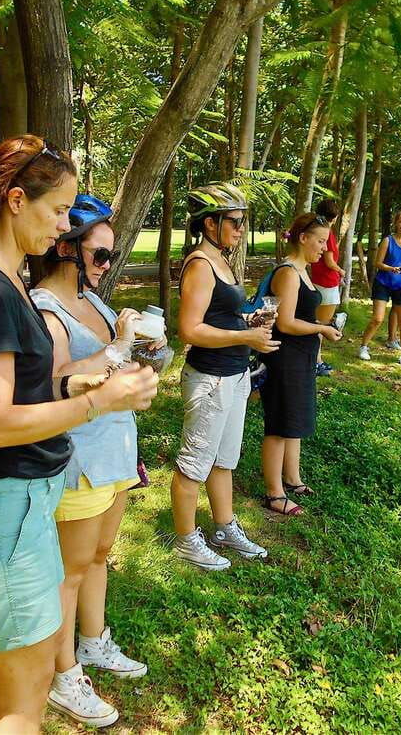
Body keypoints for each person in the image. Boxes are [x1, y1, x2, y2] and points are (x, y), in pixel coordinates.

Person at [0, 136, 158, 734]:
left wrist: (79, 387)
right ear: (13, 200)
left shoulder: (5, 285)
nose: (63, 227)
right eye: (58, 211)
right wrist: (100, 403)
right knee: (20, 710)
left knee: (22, 702)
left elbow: (29, 392)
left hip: (19, 503)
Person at [31, 195, 159, 727]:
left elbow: (119, 361)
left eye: (111, 257)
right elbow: (55, 379)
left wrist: (144, 350)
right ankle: (63, 676)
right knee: (70, 571)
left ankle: (92, 642)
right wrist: (117, 348)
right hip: (80, 454)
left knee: (100, 554)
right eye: (100, 255)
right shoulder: (45, 307)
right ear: (65, 249)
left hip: (117, 450)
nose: (107, 266)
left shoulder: (95, 301)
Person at [172, 185, 279, 570]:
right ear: (210, 223)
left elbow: (220, 314)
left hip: (235, 375)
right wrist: (244, 336)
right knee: (193, 463)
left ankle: (224, 527)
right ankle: (185, 540)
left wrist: (248, 322)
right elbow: (189, 329)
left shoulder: (223, 259)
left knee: (224, 460)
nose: (240, 229)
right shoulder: (200, 264)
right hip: (210, 377)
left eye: (243, 222)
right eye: (234, 222)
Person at [260, 213, 342, 516]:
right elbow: (287, 322)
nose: (324, 247)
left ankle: (292, 480)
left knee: (293, 422)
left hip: (302, 357)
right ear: (302, 238)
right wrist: (321, 328)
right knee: (280, 424)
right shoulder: (289, 273)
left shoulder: (304, 271)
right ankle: (274, 493)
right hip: (285, 357)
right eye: (320, 241)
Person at [358, 209, 401, 367]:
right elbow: (377, 263)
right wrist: (390, 268)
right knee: (377, 318)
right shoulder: (387, 240)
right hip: (384, 282)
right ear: (396, 223)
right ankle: (363, 347)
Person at [310, 198, 345, 377]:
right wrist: (341, 271)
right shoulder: (328, 234)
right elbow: (330, 261)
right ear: (335, 216)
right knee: (321, 325)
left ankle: (316, 360)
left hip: (317, 280)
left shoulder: (316, 230)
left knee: (317, 323)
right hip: (327, 282)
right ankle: (317, 362)